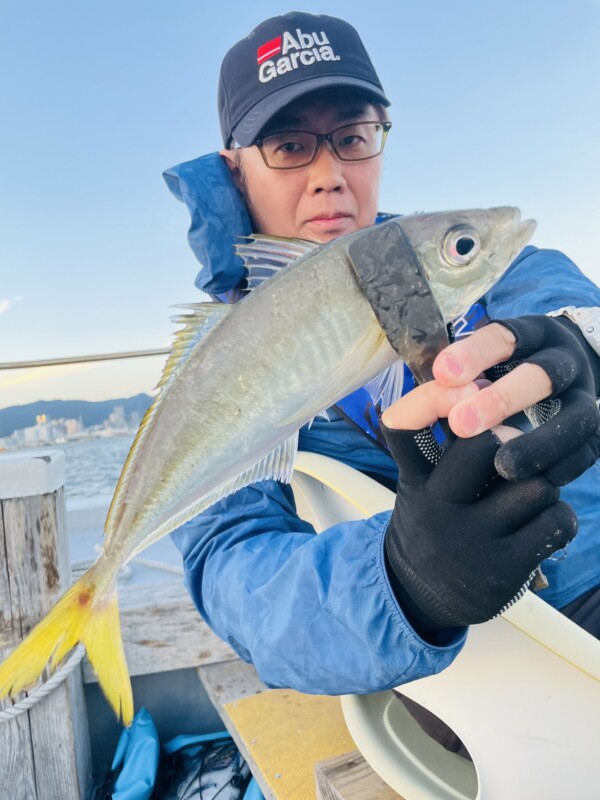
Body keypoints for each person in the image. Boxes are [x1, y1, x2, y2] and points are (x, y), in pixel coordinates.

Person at [164, 12, 600, 698]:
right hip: (464, 684)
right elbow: (233, 568)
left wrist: (580, 340)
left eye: (353, 137)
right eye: (286, 145)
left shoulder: (449, 258)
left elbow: (548, 284)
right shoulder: (210, 375)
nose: (330, 175)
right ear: (235, 169)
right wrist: (405, 579)